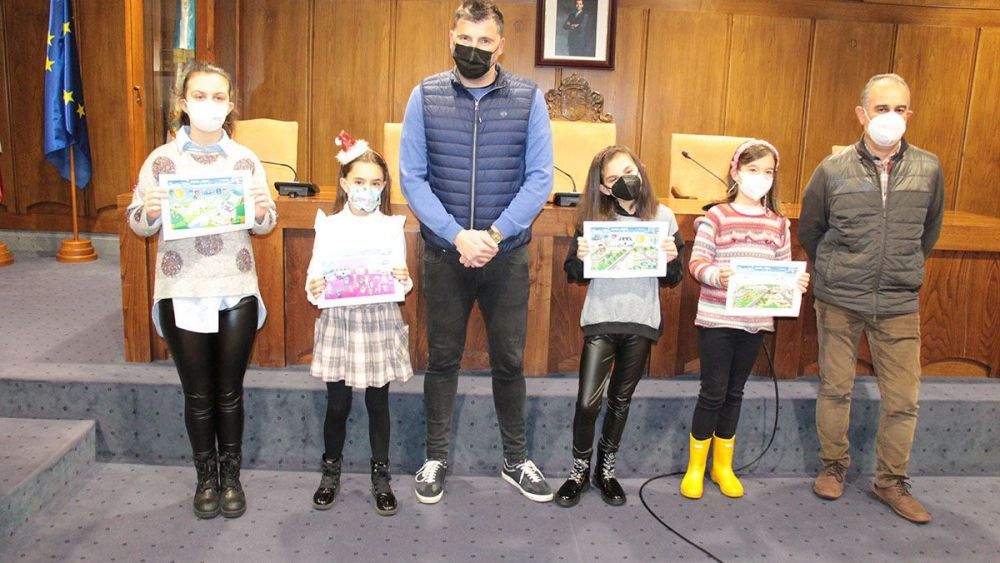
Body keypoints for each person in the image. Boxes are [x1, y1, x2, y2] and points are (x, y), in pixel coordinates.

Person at [399, 0, 554, 504]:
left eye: (485, 41)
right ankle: (435, 458)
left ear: (500, 46)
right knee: (442, 359)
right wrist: (456, 235)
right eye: (465, 38)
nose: (474, 48)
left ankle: (515, 459)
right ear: (452, 38)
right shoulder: (424, 96)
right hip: (445, 254)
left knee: (509, 360)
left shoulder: (529, 98)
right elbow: (413, 178)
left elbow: (539, 179)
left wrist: (492, 235)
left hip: (505, 256)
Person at [126, 60, 277, 519]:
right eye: (199, 96)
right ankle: (205, 478)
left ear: (230, 106)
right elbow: (137, 224)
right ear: (183, 103)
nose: (209, 104)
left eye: (218, 97)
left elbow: (266, 223)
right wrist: (150, 211)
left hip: (235, 288)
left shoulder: (245, 160)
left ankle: (231, 477)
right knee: (197, 393)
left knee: (229, 391)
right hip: (183, 288)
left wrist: (261, 210)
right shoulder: (161, 160)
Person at [799, 73, 944, 524]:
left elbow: (929, 232)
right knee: (836, 389)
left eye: (900, 109)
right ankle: (833, 466)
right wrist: (838, 269)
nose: (891, 117)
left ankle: (890, 481)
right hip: (840, 297)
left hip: (898, 301)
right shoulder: (832, 169)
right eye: (882, 108)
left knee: (903, 399)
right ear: (862, 114)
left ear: (910, 114)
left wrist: (898, 267)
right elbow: (811, 230)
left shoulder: (929, 168)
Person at [679, 139, 809, 500]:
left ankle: (722, 466)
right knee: (713, 391)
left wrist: (794, 283)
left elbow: (783, 268)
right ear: (736, 172)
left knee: (735, 392)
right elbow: (697, 263)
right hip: (718, 318)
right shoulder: (716, 216)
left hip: (754, 322)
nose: (761, 177)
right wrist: (717, 276)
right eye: (753, 170)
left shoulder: (778, 223)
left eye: (768, 172)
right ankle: (695, 467)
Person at [555, 146, 684, 508]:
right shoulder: (594, 219)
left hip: (641, 319)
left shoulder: (664, 216)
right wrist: (582, 258)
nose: (625, 180)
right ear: (604, 187)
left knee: (620, 401)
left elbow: (673, 277)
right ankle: (579, 470)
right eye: (613, 178)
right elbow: (573, 272)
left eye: (628, 171)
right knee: (587, 402)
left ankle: (605, 470)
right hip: (602, 316)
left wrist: (671, 257)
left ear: (640, 170)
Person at [304, 132, 413, 517]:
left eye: (376, 183)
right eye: (360, 181)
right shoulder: (329, 225)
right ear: (345, 183)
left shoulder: (391, 226)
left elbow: (401, 280)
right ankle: (330, 470)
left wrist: (404, 278)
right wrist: (314, 287)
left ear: (384, 187)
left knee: (378, 403)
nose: (367, 190)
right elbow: (315, 274)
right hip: (340, 321)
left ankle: (380, 475)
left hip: (378, 319)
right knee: (338, 403)